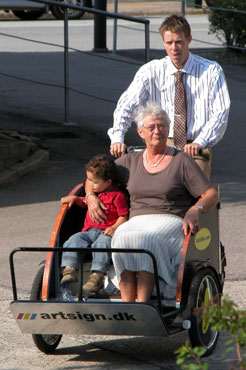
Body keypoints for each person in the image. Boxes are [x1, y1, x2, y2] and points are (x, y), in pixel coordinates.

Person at [86, 102, 219, 302]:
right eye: (152, 127)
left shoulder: (181, 160)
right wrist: (91, 197)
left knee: (147, 239)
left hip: (171, 219)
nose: (158, 131)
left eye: (162, 126)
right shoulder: (130, 161)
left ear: (168, 130)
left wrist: (195, 209)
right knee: (122, 236)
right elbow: (92, 178)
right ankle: (127, 303)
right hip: (137, 219)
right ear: (141, 132)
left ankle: (143, 303)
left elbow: (211, 194)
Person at [108, 14, 231, 178]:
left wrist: (199, 142)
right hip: (160, 142)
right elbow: (127, 105)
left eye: (179, 42)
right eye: (169, 43)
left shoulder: (211, 71)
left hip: (195, 144)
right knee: (150, 188)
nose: (174, 48)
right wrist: (118, 137)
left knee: (197, 191)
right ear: (163, 43)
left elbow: (221, 112)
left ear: (189, 39)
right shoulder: (150, 71)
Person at [60, 154, 129, 297]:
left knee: (102, 244)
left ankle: (97, 275)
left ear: (108, 181)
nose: (90, 185)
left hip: (105, 232)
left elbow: (124, 216)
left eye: (94, 181)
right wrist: (74, 198)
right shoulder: (95, 194)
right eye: (89, 180)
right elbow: (83, 201)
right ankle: (69, 268)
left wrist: (115, 227)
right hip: (89, 231)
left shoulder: (118, 196)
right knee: (74, 239)